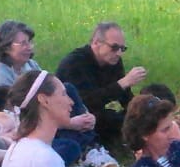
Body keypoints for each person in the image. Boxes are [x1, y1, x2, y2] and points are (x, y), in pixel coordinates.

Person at [0, 20, 106, 167]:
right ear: (6, 45)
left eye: (30, 42)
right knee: (70, 146)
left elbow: (54, 89)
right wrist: (69, 123)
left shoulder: (30, 65)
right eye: (23, 43)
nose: (29, 47)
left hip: (47, 118)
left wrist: (85, 113)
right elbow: (27, 113)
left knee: (68, 89)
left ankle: (87, 148)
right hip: (28, 127)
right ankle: (79, 154)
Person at [55, 21, 146, 149]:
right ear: (96, 42)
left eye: (122, 48)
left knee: (147, 107)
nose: (119, 53)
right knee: (109, 119)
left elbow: (125, 97)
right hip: (72, 118)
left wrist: (139, 110)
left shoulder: (113, 61)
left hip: (96, 113)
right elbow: (85, 102)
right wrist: (122, 83)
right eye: (114, 47)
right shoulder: (75, 63)